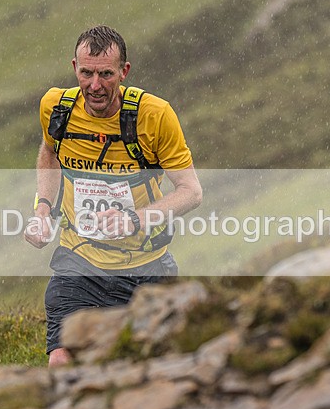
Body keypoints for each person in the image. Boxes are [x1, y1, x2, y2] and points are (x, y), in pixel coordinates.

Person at [25, 25, 202, 367]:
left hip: (146, 267)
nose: (95, 85)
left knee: (158, 367)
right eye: (87, 73)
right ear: (74, 67)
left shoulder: (154, 116)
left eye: (106, 74)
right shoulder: (55, 107)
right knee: (62, 360)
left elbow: (191, 192)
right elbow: (50, 150)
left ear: (124, 72)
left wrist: (134, 219)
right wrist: (43, 210)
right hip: (79, 262)